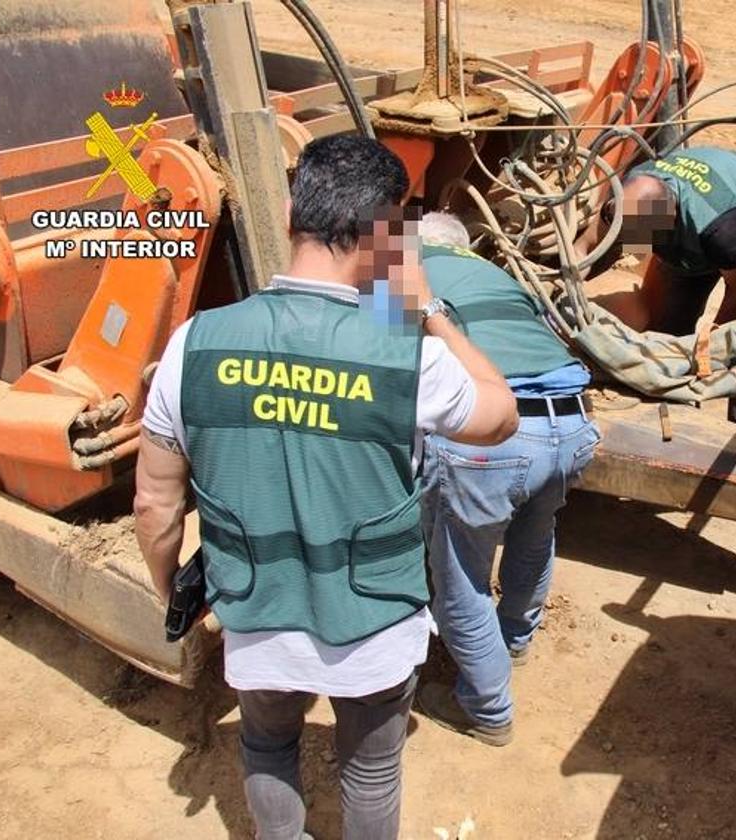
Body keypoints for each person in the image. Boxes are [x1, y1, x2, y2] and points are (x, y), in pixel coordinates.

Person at [133, 136, 517, 840]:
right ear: (387, 239)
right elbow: (500, 415)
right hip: (372, 619)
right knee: (371, 771)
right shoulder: (411, 357)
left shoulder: (195, 342)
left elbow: (154, 504)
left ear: (286, 214)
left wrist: (174, 595)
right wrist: (428, 308)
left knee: (268, 743)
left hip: (255, 606)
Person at [413, 212, 600, 746]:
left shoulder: (400, 266)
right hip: (571, 425)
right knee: (534, 535)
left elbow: (376, 353)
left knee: (458, 580)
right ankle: (514, 640)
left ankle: (487, 709)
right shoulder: (502, 276)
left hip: (496, 436)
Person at [576, 145, 736, 429]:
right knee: (669, 335)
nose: (630, 245)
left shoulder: (721, 232)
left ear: (666, 223)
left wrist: (713, 345)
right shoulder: (629, 195)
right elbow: (589, 247)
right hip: (688, 232)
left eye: (637, 237)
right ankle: (672, 412)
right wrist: (563, 285)